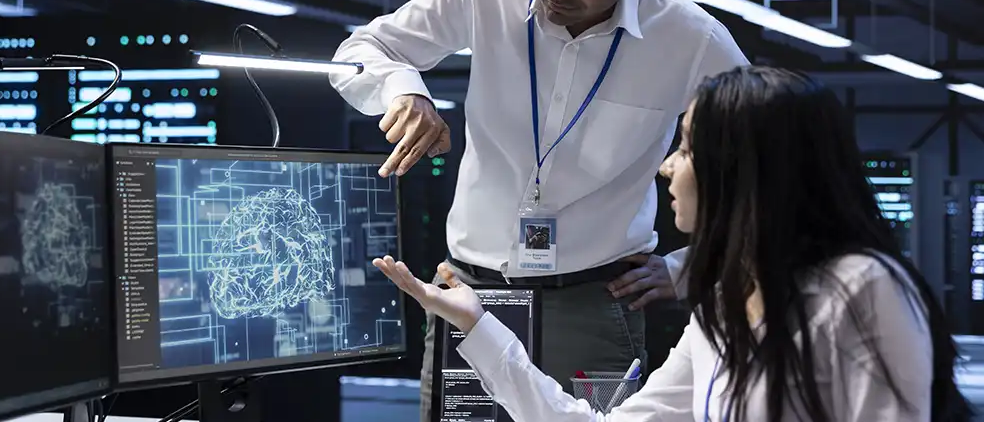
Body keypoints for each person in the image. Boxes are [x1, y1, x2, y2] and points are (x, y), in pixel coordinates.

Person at [329, 0, 747, 415]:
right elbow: (358, 54)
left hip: (596, 303)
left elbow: (773, 157)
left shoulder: (690, 39)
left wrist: (687, 267)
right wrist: (405, 92)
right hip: (472, 294)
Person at [373, 66, 974, 422]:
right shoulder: (723, 307)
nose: (668, 168)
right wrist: (479, 326)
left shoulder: (865, 289)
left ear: (740, 170)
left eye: (686, 149)